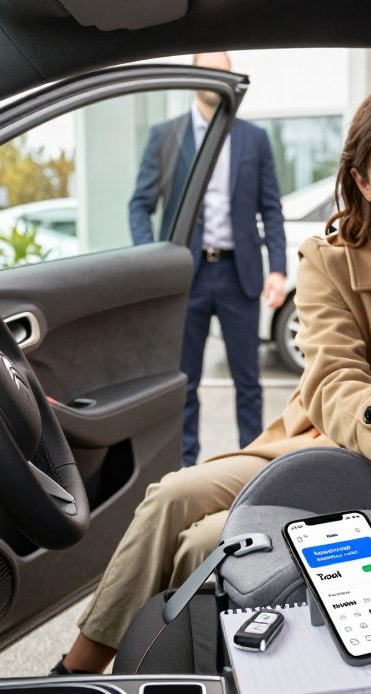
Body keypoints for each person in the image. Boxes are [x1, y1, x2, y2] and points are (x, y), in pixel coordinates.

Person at [57, 76, 371, 674]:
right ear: (361, 183)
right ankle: (78, 673)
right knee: (170, 497)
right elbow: (334, 389)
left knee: (210, 543)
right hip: (328, 440)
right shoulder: (327, 259)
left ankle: (176, 680)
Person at [129, 51, 287, 466]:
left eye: (223, 72)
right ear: (193, 77)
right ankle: (185, 469)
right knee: (185, 384)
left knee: (248, 382)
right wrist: (152, 264)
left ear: (231, 79)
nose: (215, 78)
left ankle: (251, 468)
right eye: (208, 71)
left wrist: (278, 268)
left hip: (240, 275)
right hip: (186, 278)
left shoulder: (253, 138)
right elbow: (139, 205)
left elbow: (270, 208)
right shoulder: (166, 136)